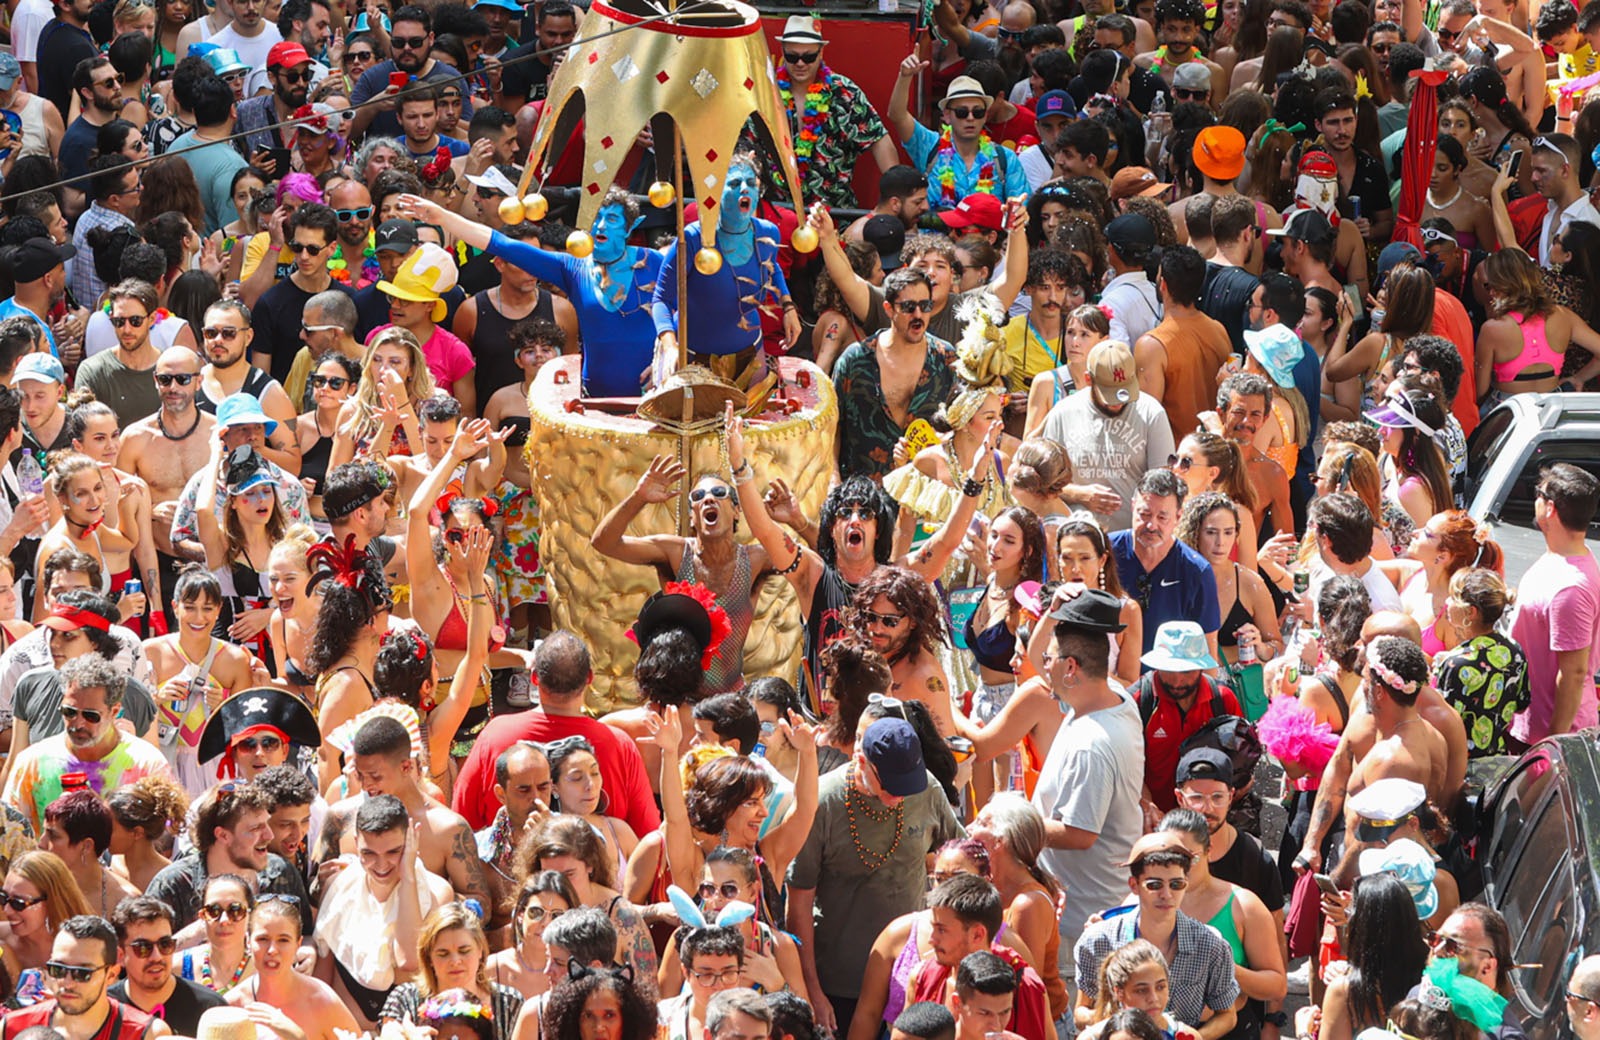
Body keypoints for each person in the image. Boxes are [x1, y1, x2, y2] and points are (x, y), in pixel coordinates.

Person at [787, 716, 964, 1033]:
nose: (899, 796)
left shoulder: (925, 789)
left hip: (910, 978)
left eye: (906, 786)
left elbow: (963, 861)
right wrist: (811, 990)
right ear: (861, 760)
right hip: (839, 983)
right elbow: (798, 900)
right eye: (890, 786)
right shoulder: (822, 801)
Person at [1028, 587, 1143, 962]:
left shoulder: (1091, 745)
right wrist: (1055, 611)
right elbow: (1034, 656)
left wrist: (1015, 826)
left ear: (1071, 668)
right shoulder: (1112, 693)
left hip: (1080, 930)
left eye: (1052, 660)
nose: (1045, 666)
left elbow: (1079, 834)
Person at [1073, 833, 1239, 1036]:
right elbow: (1081, 1012)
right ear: (1134, 885)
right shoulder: (1098, 941)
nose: (1167, 895)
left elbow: (1227, 1015)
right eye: (1154, 885)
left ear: (1186, 883)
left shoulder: (1211, 945)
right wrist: (1116, 1023)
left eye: (1176, 884)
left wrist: (1187, 1036)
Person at [315, 715, 489, 906]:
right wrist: (324, 883)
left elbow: (482, 904)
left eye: (375, 776)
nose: (365, 785)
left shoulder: (448, 829)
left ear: (406, 766)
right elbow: (313, 895)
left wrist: (423, 890)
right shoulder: (341, 817)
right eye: (359, 775)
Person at [313, 794, 453, 1027]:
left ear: (410, 842)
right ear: (356, 842)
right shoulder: (338, 885)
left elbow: (408, 960)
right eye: (369, 854)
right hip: (348, 1028)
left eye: (392, 852)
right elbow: (322, 977)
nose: (380, 865)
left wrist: (408, 876)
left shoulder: (438, 893)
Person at [1, 656, 171, 833]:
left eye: (91, 716)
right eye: (69, 712)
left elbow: (165, 835)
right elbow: (11, 833)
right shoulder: (32, 762)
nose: (78, 723)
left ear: (114, 712)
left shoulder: (147, 764)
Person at [1039, 340, 1173, 533]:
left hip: (1134, 540)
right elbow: (1043, 486)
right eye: (1109, 394)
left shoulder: (1151, 413)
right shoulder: (1063, 413)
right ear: (1088, 380)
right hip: (1077, 541)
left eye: (1125, 392)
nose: (1117, 403)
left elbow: (1164, 485)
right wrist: (1080, 494)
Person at [1509, 462, 1600, 746]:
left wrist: (1553, 746)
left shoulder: (1569, 588)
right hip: (1529, 725)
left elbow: (1572, 674)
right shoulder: (1561, 559)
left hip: (1549, 736)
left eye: (1538, 493)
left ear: (1550, 509)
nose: (1534, 498)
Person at [143, 781, 312, 931]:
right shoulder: (173, 886)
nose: (269, 836)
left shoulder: (281, 873)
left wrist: (308, 951)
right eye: (255, 829)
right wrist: (191, 939)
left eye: (267, 824)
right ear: (223, 835)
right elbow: (146, 956)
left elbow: (305, 935)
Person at [1130, 625, 1241, 820]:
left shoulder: (1223, 700)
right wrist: (1147, 807)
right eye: (1169, 670)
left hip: (1208, 820)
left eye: (1187, 671)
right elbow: (1127, 767)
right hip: (1151, 820)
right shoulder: (1138, 701)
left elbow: (1240, 760)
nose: (1177, 681)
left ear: (1201, 667)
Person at [0, 914, 171, 1039]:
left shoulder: (146, 1034)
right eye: (58, 969)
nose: (68, 982)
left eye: (82, 973)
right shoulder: (12, 1028)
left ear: (111, 975)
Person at [1111, 469, 1219, 658]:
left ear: (1178, 517)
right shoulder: (1106, 553)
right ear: (1133, 506)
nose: (1151, 525)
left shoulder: (1196, 571)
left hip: (1169, 681)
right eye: (1144, 514)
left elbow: (1208, 647)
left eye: (1162, 517)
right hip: (1113, 679)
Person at [1133, 245, 1231, 440]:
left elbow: (1145, 420)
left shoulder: (1151, 345)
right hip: (1215, 453)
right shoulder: (1219, 330)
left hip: (1178, 460)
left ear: (1163, 285)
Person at [226, 895, 357, 1040]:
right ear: (248, 942)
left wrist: (296, 1036)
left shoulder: (322, 1000)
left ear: (298, 944)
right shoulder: (233, 1004)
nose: (272, 950)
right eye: (263, 939)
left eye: (283, 940)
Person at [1432, 568, 1529, 757]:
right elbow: (1521, 703)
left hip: (1459, 764)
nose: (1447, 602)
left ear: (1471, 612)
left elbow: (1442, 723)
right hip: (1497, 760)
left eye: (1453, 597)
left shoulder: (1456, 663)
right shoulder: (1514, 649)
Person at [109, 896, 227, 1035]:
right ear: (120, 956)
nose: (157, 956)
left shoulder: (210, 1009)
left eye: (165, 944)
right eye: (143, 948)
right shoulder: (104, 1009)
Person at [36, 792, 140, 917]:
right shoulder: (38, 888)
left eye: (53, 835)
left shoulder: (125, 901)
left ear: (87, 846)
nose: (41, 843)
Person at [106, 776, 188, 892]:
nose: (103, 832)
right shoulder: (107, 863)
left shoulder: (170, 881)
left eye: (110, 828)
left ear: (137, 833)